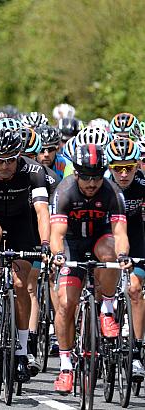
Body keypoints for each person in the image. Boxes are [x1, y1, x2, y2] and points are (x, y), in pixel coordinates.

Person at [0, 128, 51, 383]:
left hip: (22, 221)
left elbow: (42, 212)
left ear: (19, 156)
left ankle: (23, 350)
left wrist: (45, 243)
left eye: (10, 160)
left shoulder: (35, 172)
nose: (4, 166)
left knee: (20, 286)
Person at [50, 143, 130, 394]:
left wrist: (124, 255)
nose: (92, 182)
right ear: (76, 173)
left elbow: (120, 233)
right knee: (65, 303)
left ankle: (107, 309)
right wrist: (57, 255)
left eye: (97, 176)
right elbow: (56, 234)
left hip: (100, 239)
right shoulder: (64, 191)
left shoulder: (112, 192)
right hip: (71, 244)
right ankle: (65, 368)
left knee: (111, 252)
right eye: (86, 176)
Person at [105, 138, 145, 380]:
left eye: (128, 167)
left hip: (136, 235)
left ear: (137, 165)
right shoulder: (103, 186)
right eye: (118, 168)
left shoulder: (142, 183)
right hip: (107, 235)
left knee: (135, 289)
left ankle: (137, 352)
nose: (123, 173)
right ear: (110, 167)